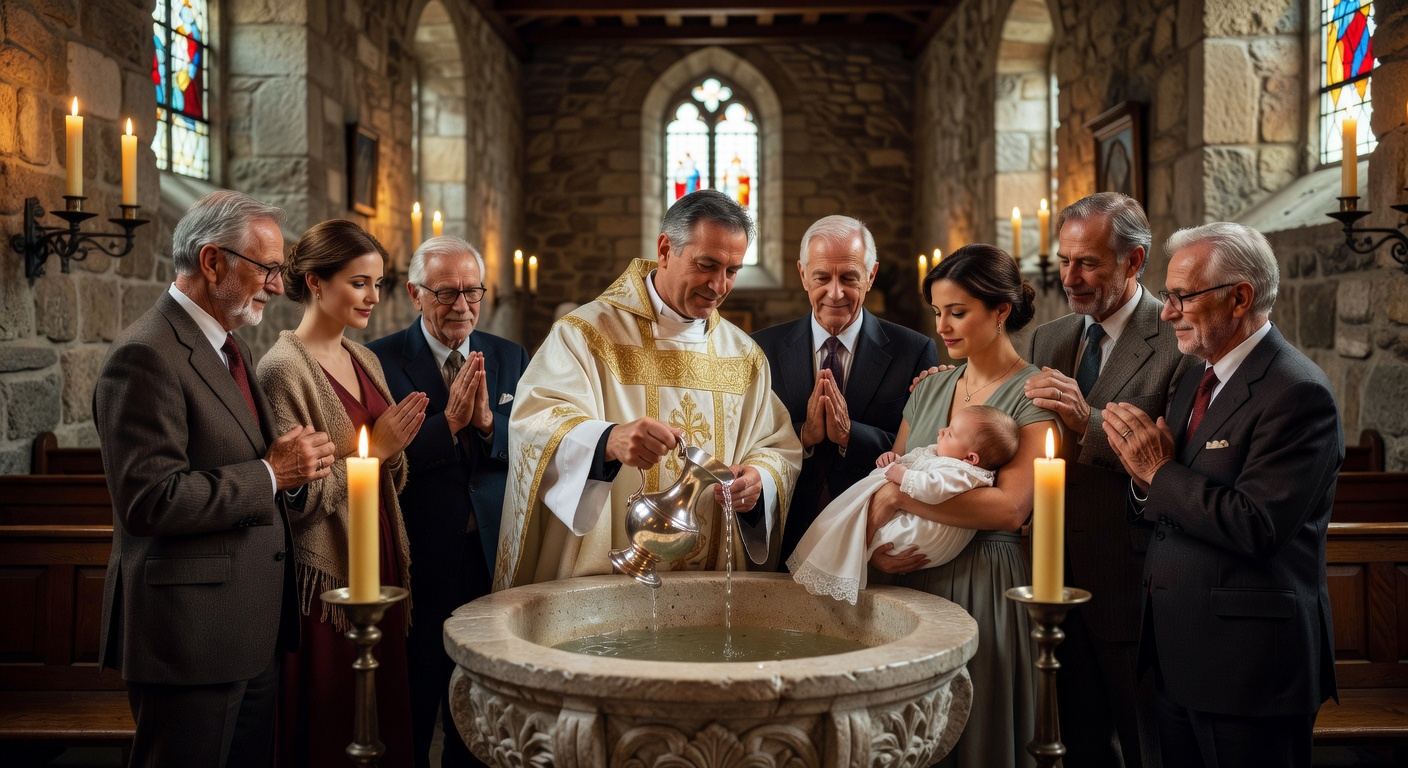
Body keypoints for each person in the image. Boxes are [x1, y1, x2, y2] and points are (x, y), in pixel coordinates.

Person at [94, 190, 336, 768]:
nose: (278, 286)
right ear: (212, 261)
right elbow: (150, 501)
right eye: (269, 269)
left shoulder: (231, 346)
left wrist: (291, 471)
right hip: (189, 636)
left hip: (248, 629)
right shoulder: (145, 354)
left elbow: (255, 462)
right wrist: (271, 474)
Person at [1103, 222, 1341, 768]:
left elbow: (1257, 525)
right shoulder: (1195, 378)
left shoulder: (1297, 392)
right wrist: (1144, 486)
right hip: (1178, 653)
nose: (1167, 312)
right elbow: (1165, 498)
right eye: (1169, 296)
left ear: (1240, 298)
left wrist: (1156, 474)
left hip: (1250, 669)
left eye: (1181, 297)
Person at [496, 189, 801, 589]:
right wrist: (607, 440)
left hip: (711, 590)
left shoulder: (743, 356)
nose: (718, 285)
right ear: (664, 249)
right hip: (606, 583)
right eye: (707, 265)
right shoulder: (587, 335)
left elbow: (776, 444)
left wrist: (759, 479)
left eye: (732, 271)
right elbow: (533, 421)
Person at [865, 244, 1058, 768]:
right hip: (912, 577)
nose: (944, 327)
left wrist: (902, 495)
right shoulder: (930, 390)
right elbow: (884, 481)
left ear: (1001, 311)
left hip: (986, 583)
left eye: (958, 312)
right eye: (937, 313)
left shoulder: (1033, 395)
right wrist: (878, 551)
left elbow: (1009, 508)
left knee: (977, 736)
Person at [1020, 192, 1195, 768]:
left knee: (1145, 745)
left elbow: (1173, 459)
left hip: (1130, 576)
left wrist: (1085, 419)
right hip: (1051, 573)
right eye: (1065, 260)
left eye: (1088, 263)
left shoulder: (1177, 341)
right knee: (1074, 744)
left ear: (1135, 261)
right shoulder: (1051, 337)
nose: (1070, 277)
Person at [255, 220, 428, 768]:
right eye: (359, 283)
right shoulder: (283, 369)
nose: (373, 297)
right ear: (314, 282)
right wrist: (377, 450)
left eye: (377, 284)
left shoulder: (366, 359)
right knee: (336, 711)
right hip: (327, 569)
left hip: (380, 547)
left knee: (383, 705)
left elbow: (388, 479)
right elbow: (295, 499)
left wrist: (392, 454)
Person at [367, 236, 530, 768]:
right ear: (415, 294)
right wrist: (449, 425)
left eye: (472, 291)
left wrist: (487, 425)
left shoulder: (510, 355)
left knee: (480, 712)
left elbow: (532, 441)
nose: (462, 305)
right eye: (446, 293)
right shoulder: (380, 361)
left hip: (488, 555)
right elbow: (378, 457)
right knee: (414, 704)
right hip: (419, 557)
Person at [752, 215, 939, 568]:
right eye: (822, 277)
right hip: (783, 538)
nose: (834, 292)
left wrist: (851, 436)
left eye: (849, 278)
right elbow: (749, 443)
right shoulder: (761, 349)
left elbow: (924, 454)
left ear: (871, 275)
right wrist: (803, 436)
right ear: (803, 274)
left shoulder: (913, 351)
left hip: (872, 542)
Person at [787, 405, 1019, 604]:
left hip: (919, 535)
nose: (941, 431)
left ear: (970, 458)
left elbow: (932, 487)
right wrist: (893, 459)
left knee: (849, 522)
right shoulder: (942, 457)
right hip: (908, 529)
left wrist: (902, 476)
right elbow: (912, 460)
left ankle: (851, 551)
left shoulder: (963, 473)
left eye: (950, 433)